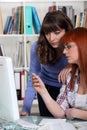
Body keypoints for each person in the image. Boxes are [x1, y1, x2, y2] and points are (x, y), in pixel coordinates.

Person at [20, 10, 73, 117]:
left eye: (57, 33)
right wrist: (26, 108)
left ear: (66, 31)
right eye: (47, 33)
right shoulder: (37, 47)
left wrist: (73, 65)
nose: (51, 38)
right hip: (46, 91)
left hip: (69, 90)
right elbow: (33, 79)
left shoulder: (75, 45)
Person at [32, 27, 87, 120]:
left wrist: (78, 113)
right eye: (64, 47)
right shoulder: (71, 77)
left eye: (68, 47)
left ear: (82, 46)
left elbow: (72, 113)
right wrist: (43, 91)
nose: (64, 51)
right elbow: (60, 113)